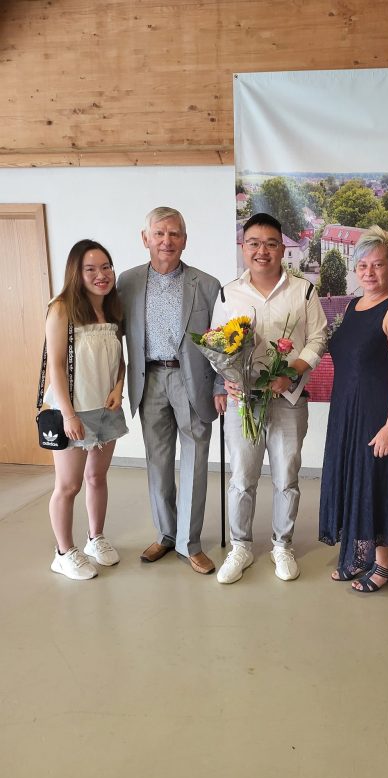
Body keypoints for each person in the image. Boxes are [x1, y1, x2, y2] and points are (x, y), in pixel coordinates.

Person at [212, 213, 328, 584]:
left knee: (286, 477)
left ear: (281, 248)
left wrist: (290, 372)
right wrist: (227, 380)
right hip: (243, 403)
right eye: (254, 243)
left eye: (271, 243)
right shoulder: (229, 292)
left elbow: (319, 338)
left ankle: (282, 545)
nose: (262, 251)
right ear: (243, 247)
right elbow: (217, 342)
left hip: (288, 400)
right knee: (241, 478)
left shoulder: (303, 290)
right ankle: (241, 546)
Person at [117, 207, 220, 574]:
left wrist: (221, 384)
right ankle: (165, 534)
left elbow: (222, 343)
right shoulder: (127, 282)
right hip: (149, 380)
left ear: (185, 240)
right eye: (159, 233)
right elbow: (113, 335)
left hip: (191, 380)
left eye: (174, 234)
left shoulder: (207, 285)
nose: (166, 241)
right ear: (145, 238)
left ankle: (189, 543)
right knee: (158, 461)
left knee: (194, 461)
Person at [319, 226, 388, 592]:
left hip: (379, 414)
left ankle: (385, 564)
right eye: (362, 265)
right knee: (356, 482)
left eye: (378, 264)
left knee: (374, 484)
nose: (369, 272)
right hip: (348, 412)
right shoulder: (354, 305)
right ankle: (360, 556)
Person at [46, 240, 128, 580]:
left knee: (97, 477)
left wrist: (119, 389)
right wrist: (68, 415)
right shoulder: (61, 308)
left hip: (106, 409)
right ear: (76, 273)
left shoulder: (113, 308)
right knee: (68, 486)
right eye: (90, 269)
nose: (101, 275)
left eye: (106, 267)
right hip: (74, 411)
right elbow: (55, 366)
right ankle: (63, 552)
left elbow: (119, 359)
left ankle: (96, 538)